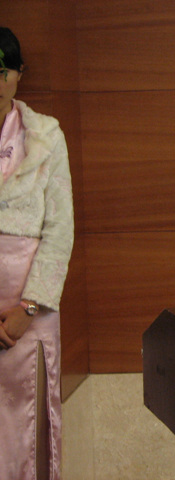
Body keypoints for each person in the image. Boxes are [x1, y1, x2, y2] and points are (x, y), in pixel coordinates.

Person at [0, 27, 74, 480]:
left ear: (19, 74)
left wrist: (28, 307)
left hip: (31, 312)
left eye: (3, 70)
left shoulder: (46, 134)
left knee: (27, 431)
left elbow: (60, 229)